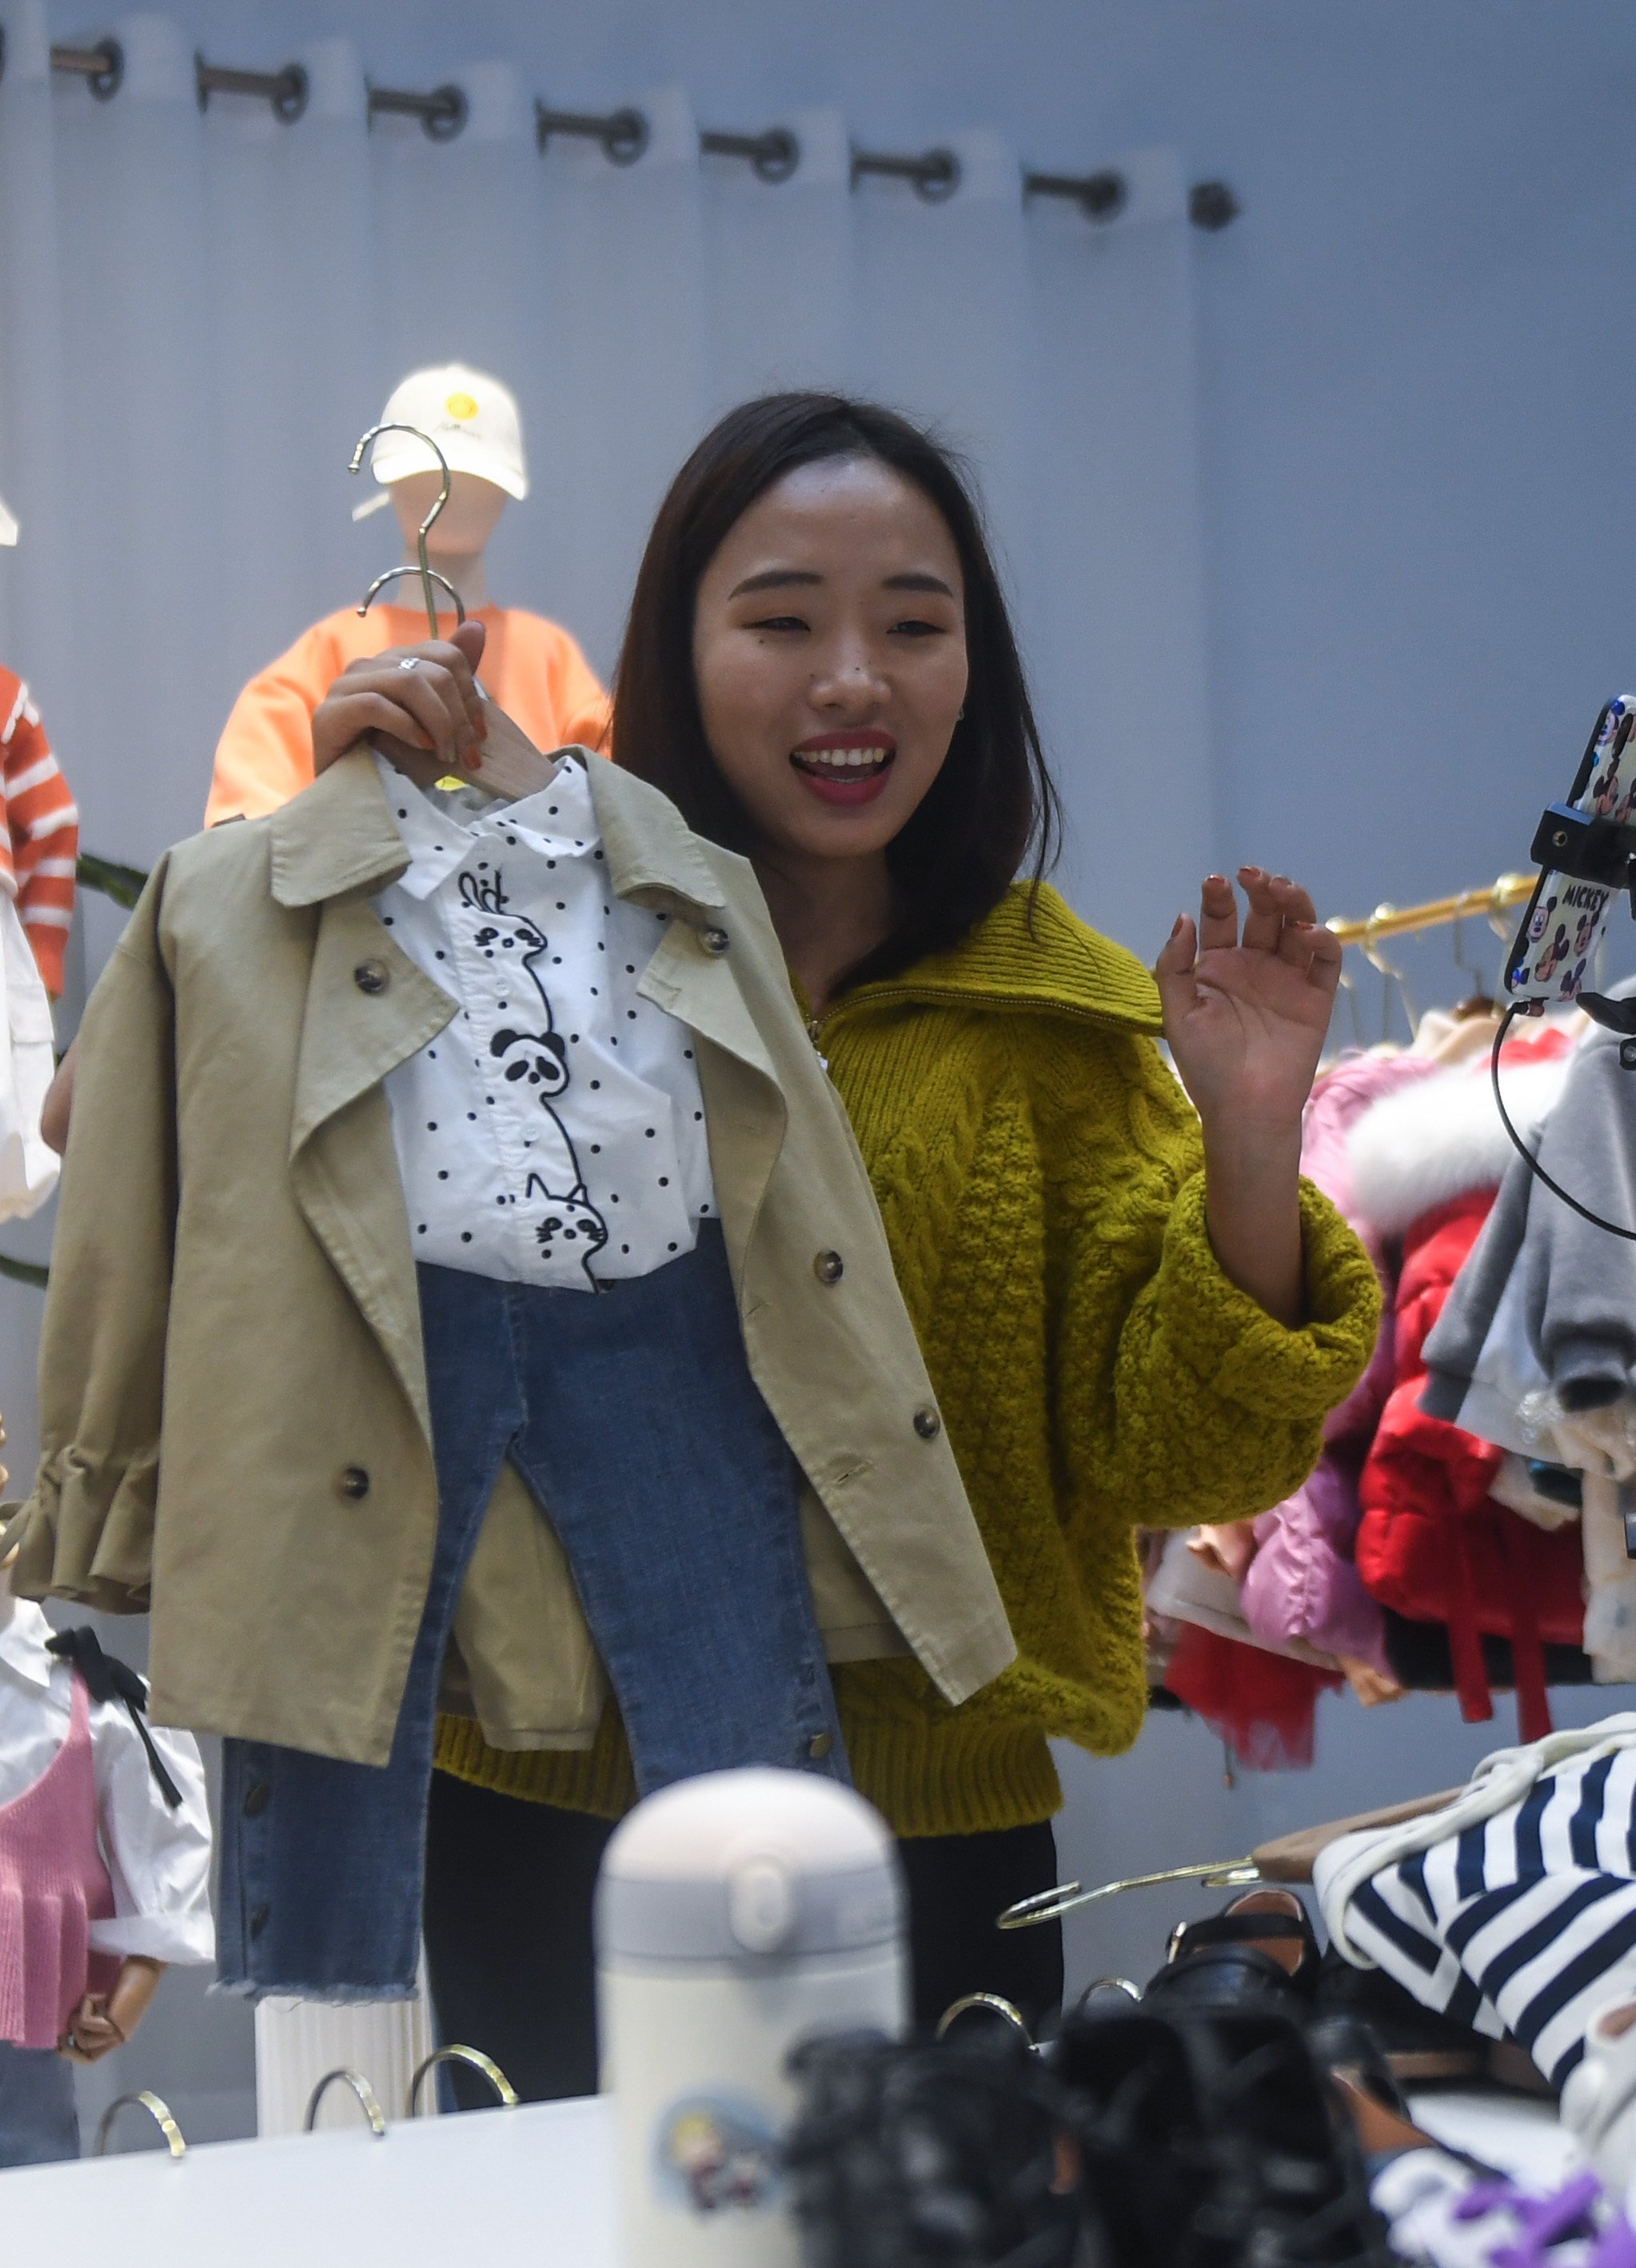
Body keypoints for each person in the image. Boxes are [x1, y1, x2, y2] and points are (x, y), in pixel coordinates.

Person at [320, 390, 1379, 2066]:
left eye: (911, 622)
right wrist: (351, 865)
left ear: (976, 667)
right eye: (780, 618)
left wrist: (1250, 1136)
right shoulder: (523, 937)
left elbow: (1184, 1456)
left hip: (924, 1836)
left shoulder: (1054, 1025)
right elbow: (204, 1171)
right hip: (551, 1805)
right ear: (676, 648)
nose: (851, 679)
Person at [201, 362, 611, 828]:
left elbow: (621, 821)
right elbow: (245, 839)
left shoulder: (548, 655)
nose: (451, 496)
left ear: (504, 494)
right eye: (426, 481)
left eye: (477, 483)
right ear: (390, 486)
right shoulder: (322, 658)